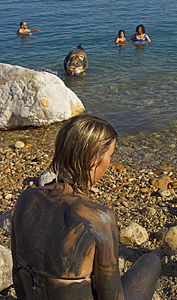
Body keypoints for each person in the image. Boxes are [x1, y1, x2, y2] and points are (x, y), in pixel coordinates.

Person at [11, 114, 161, 300]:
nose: (109, 163)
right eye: (109, 156)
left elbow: (17, 274)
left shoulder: (26, 199)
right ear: (93, 161)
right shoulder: (99, 217)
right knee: (151, 261)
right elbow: (112, 297)